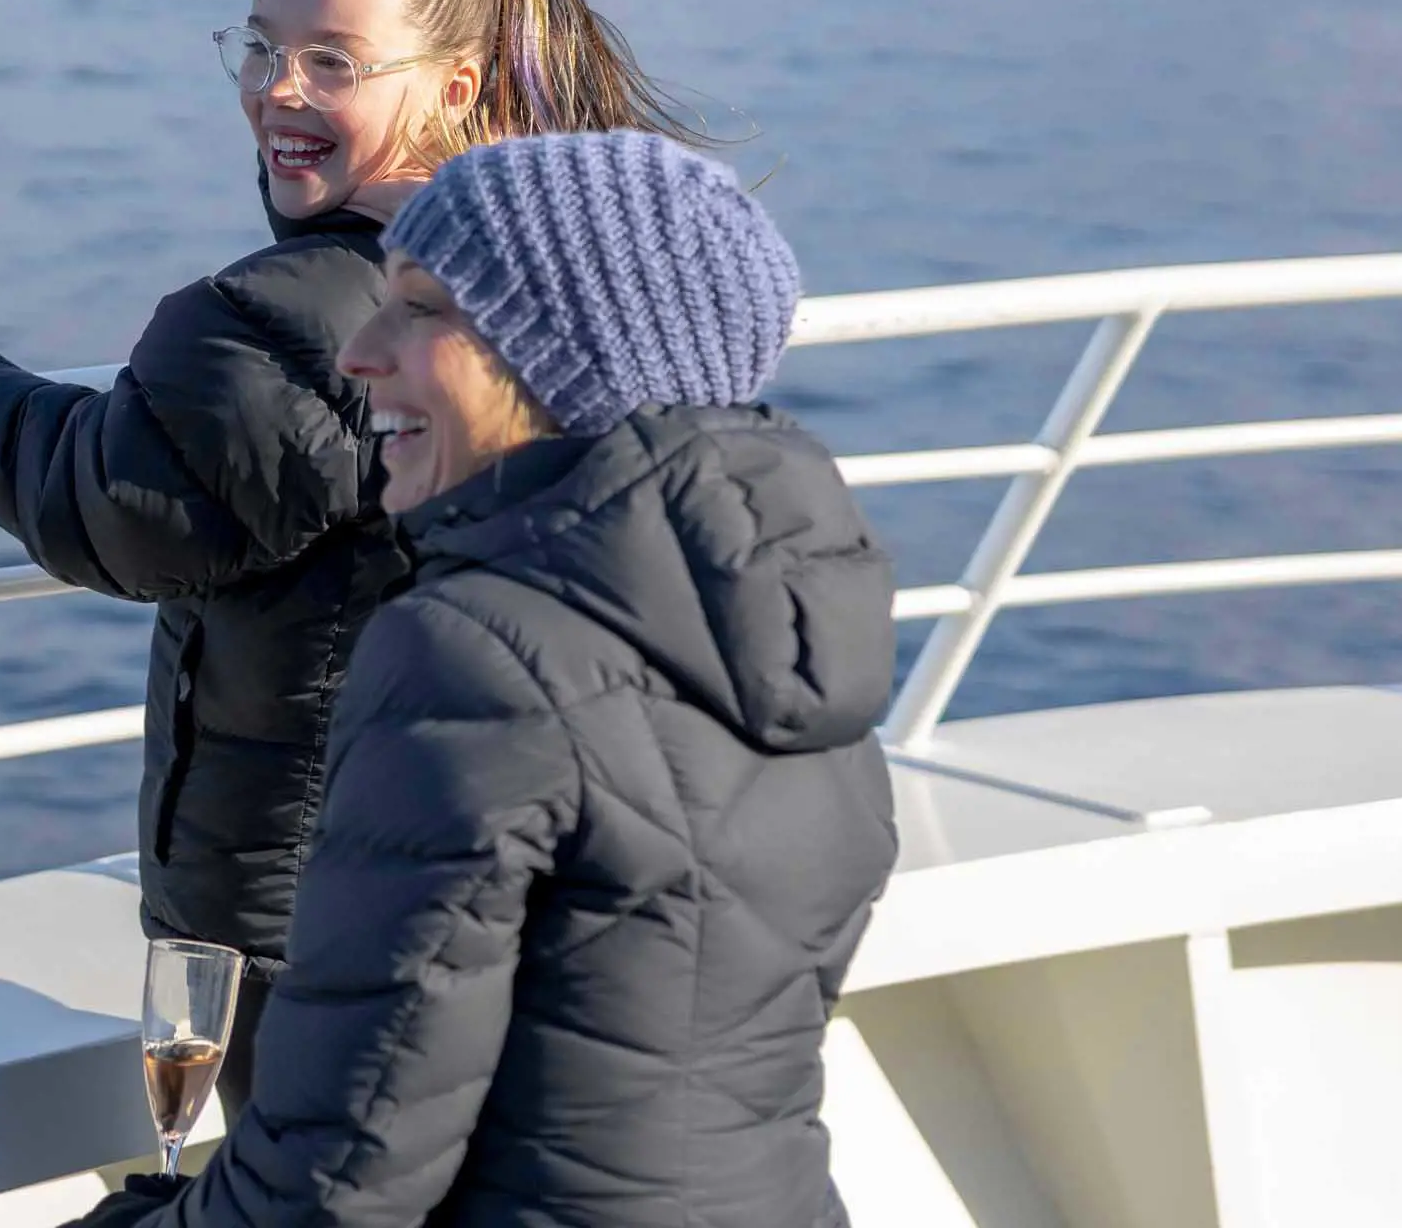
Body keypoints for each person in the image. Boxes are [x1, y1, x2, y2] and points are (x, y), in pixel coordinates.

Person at [0, 0, 691, 1114]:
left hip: (309, 919)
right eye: (260, 47)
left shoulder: (271, 317)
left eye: (332, 58)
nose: (279, 90)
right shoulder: (564, 277)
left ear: (455, 86)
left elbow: (115, 505)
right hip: (511, 876)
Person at [77, 129, 898, 1228]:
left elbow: (336, 1176)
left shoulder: (474, 655)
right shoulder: (791, 629)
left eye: (419, 307)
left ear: (558, 358)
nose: (362, 351)